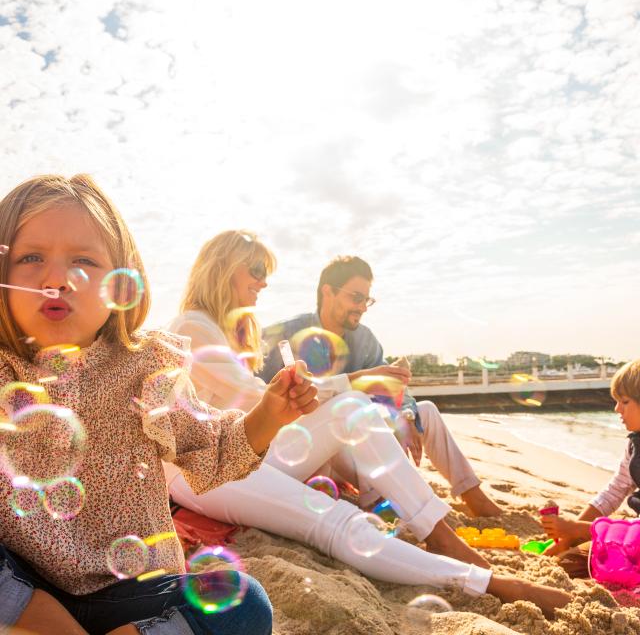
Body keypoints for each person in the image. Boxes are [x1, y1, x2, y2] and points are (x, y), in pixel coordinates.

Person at [165, 230, 571, 618]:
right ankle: (481, 580)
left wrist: (353, 395)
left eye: (265, 273)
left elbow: (265, 412)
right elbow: (259, 398)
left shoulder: (230, 330)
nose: (264, 283)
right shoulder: (192, 327)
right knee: (331, 519)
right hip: (205, 469)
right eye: (255, 270)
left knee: (352, 409)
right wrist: (352, 379)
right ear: (222, 266)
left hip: (245, 452)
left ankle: (439, 533)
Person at [0, 176, 319, 634]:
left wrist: (270, 413)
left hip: (130, 593)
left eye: (84, 261)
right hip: (24, 595)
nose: (56, 279)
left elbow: (213, 449)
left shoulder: (145, 368)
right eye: (31, 257)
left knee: (244, 603)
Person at [260, 255, 501, 517]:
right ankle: (381, 501)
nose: (363, 307)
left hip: (356, 447)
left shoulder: (364, 339)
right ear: (327, 291)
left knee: (426, 411)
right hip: (308, 448)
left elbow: (392, 387)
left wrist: (407, 414)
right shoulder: (284, 335)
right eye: (356, 297)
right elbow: (262, 398)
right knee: (348, 417)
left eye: (367, 300)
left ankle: (472, 494)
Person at [541, 360, 640, 576]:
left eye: (624, 402)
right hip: (635, 535)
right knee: (569, 561)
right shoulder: (634, 444)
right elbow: (615, 490)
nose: (616, 409)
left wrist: (578, 529)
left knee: (587, 563)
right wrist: (569, 538)